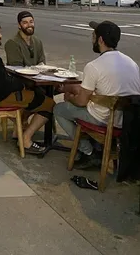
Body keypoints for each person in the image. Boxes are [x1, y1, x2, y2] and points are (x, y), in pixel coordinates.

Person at [54, 20, 140, 169]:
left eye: (93, 36)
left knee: (60, 110)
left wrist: (70, 98)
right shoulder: (132, 64)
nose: (92, 39)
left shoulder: (94, 66)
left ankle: (89, 152)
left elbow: (81, 102)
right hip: (126, 120)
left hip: (103, 119)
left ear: (100, 40)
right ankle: (96, 147)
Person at [0, 19, 55, 155]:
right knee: (49, 103)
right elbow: (5, 85)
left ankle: (20, 126)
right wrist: (24, 83)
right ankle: (26, 139)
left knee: (34, 96)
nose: (0, 35)